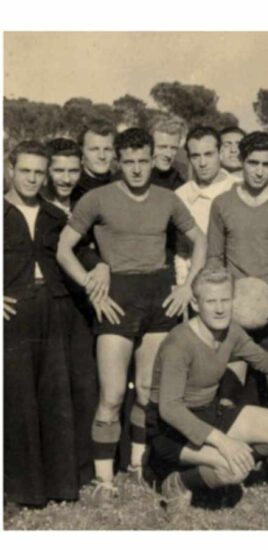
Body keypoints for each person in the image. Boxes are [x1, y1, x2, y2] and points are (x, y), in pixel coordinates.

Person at [57, 127, 208, 503]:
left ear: (153, 158)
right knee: (110, 394)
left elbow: (200, 240)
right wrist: (91, 288)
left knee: (146, 391)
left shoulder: (167, 198)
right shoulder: (96, 198)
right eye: (130, 162)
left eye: (144, 160)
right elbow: (64, 249)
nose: (138, 169)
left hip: (159, 294)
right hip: (117, 296)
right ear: (118, 162)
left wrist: (188, 285)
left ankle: (139, 466)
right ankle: (104, 479)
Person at [146, 266, 268, 516]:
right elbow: (170, 409)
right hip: (169, 429)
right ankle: (178, 482)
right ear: (195, 303)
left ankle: (217, 467)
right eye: (211, 301)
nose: (219, 308)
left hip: (208, 412)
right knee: (233, 469)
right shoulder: (179, 344)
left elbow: (264, 362)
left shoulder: (231, 331)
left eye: (225, 300)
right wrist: (223, 442)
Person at [4, 141, 80, 506]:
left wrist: (101, 266)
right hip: (13, 311)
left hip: (52, 308)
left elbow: (80, 253)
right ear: (9, 168)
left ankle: (61, 486)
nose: (32, 179)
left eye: (39, 172)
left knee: (54, 394)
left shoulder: (54, 215)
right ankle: (22, 490)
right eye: (25, 171)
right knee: (17, 398)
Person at [207, 131, 268, 409]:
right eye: (252, 163)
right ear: (241, 161)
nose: (259, 171)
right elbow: (214, 258)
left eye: (266, 164)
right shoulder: (222, 204)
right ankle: (231, 449)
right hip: (234, 309)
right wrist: (225, 300)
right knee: (229, 389)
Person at [41, 138, 105, 486]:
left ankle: (84, 469)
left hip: (82, 305)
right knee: (50, 387)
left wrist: (102, 266)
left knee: (84, 384)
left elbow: (93, 247)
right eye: (58, 170)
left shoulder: (85, 202)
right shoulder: (35, 204)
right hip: (47, 304)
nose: (65, 178)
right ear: (47, 171)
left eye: (72, 170)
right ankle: (52, 469)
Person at [173, 125, 239, 286]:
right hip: (196, 284)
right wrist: (184, 285)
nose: (202, 163)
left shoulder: (239, 188)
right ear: (188, 158)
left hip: (235, 283)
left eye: (208, 154)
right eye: (195, 156)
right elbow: (181, 250)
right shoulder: (180, 196)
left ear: (221, 153)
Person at [70, 120, 116, 205]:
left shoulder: (122, 188)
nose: (102, 156)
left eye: (107, 149)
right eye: (94, 149)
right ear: (81, 152)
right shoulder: (70, 190)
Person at [149, 116, 187, 191]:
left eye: (173, 148)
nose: (168, 154)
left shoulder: (179, 185)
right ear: (149, 146)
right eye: (162, 147)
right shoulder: (130, 178)